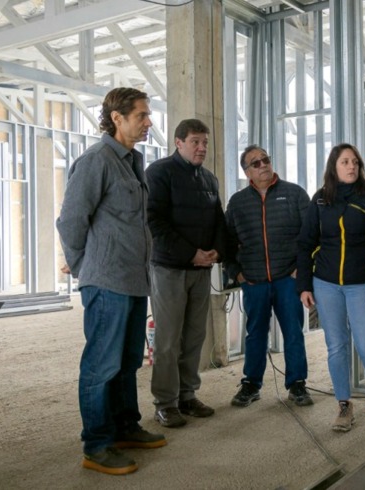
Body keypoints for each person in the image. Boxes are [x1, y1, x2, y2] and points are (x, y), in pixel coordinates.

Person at [56, 87, 166, 475]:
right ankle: (97, 444)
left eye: (148, 114)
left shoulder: (132, 161)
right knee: (101, 365)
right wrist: (85, 267)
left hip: (135, 280)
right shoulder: (96, 160)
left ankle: (125, 427)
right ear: (117, 118)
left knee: (127, 361)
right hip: (107, 281)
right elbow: (71, 220)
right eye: (141, 115)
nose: (149, 122)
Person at [296, 143, 365, 436]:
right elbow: (305, 243)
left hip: (360, 285)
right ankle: (343, 404)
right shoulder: (320, 200)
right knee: (336, 347)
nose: (351, 167)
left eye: (354, 162)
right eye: (344, 162)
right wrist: (304, 284)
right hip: (325, 285)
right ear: (333, 167)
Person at [147, 118, 226, 428]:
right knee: (168, 340)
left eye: (204, 142)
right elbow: (154, 222)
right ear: (178, 142)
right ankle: (165, 403)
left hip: (201, 271)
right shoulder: (158, 173)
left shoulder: (209, 179)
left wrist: (216, 252)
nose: (202, 147)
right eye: (195, 141)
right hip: (169, 269)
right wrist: (191, 253)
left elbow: (219, 220)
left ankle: (187, 395)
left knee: (195, 336)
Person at [224, 145, 313, 407]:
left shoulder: (294, 194)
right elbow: (227, 242)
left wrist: (301, 270)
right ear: (247, 172)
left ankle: (297, 384)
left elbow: (311, 234)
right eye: (255, 163)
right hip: (254, 280)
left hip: (288, 278)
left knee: (293, 332)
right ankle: (251, 383)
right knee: (255, 333)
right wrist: (237, 273)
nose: (263, 165)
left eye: (266, 160)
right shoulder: (237, 203)